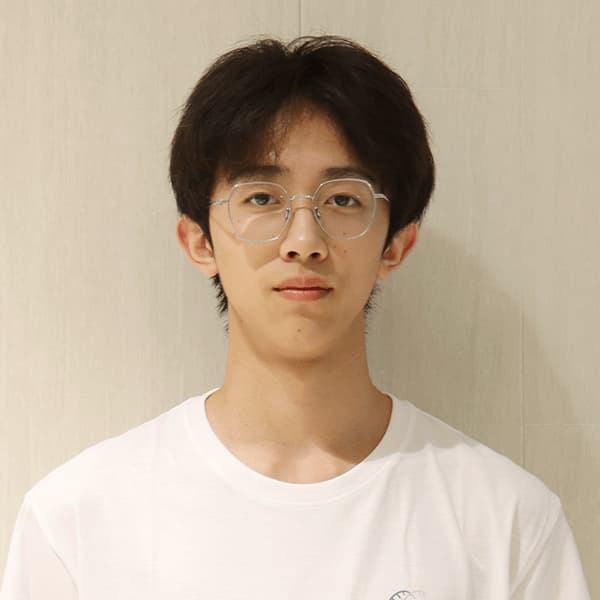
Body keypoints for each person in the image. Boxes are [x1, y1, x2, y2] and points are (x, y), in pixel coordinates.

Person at [1, 35, 591, 599]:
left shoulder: (506, 522)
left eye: (343, 199)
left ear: (396, 244)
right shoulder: (79, 522)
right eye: (262, 198)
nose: (303, 242)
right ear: (199, 241)